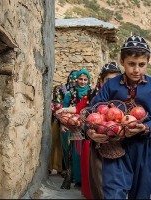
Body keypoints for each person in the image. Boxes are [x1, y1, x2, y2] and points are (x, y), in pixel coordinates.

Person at [86, 35, 151, 199]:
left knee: (141, 193)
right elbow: (93, 111)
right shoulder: (110, 85)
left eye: (141, 65)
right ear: (122, 61)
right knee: (113, 192)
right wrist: (90, 131)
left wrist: (145, 127)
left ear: (148, 62)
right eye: (131, 64)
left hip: (143, 148)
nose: (136, 70)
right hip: (114, 147)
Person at [56, 62, 122, 199]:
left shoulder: (121, 96)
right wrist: (65, 111)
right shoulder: (92, 94)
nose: (112, 84)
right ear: (101, 80)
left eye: (115, 80)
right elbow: (81, 109)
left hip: (118, 142)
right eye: (108, 80)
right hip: (95, 140)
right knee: (97, 177)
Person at [60, 68, 91, 190]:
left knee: (86, 152)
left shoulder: (91, 93)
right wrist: (63, 124)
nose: (83, 82)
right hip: (72, 127)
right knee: (74, 153)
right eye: (80, 79)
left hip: (87, 127)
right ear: (76, 79)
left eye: (85, 79)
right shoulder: (70, 94)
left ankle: (85, 179)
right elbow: (64, 109)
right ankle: (75, 178)